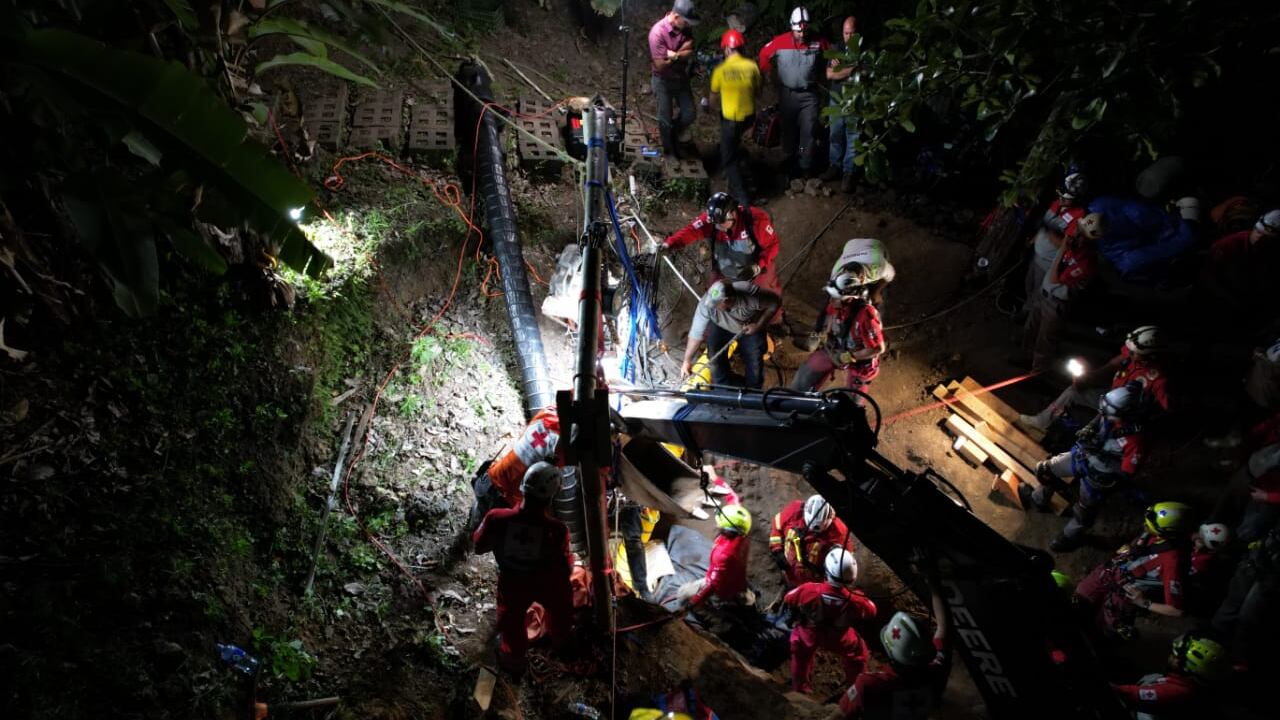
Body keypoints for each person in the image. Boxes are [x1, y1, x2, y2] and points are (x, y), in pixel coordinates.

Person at [1020, 384, 1149, 552]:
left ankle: (1069, 537)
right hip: (1082, 456)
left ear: (1127, 415)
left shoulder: (1136, 441)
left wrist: (1103, 455)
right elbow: (1101, 416)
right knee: (1045, 470)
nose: (1105, 414)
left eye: (1110, 413)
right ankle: (1038, 499)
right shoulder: (1111, 413)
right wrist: (1090, 427)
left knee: (1084, 510)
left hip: (1099, 476)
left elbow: (1126, 472)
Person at [473, 462, 574, 675]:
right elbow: (565, 568)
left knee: (510, 621)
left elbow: (479, 546)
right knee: (562, 604)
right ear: (551, 497)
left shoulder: (496, 518)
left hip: (512, 581)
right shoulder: (556, 531)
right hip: (544, 582)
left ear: (523, 487)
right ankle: (561, 644)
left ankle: (514, 661)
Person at [1072, 502, 1193, 639]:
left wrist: (1144, 603)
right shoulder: (1159, 532)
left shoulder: (1173, 563)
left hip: (1122, 595)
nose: (1145, 526)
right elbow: (1145, 542)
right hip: (1107, 574)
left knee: (1104, 627)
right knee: (1079, 599)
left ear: (1168, 533)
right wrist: (1132, 548)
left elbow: (1177, 610)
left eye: (1149, 525)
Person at [1019, 325, 1171, 433]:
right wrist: (1093, 376)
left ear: (1150, 356)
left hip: (1121, 414)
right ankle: (1042, 421)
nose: (1129, 355)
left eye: (1134, 353)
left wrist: (1133, 420)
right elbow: (1115, 362)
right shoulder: (1134, 353)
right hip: (1109, 396)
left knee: (1092, 433)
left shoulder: (1159, 380)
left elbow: (1164, 410)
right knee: (1073, 391)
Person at [664, 192, 784, 318]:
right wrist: (670, 244)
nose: (718, 227)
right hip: (725, 269)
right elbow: (691, 230)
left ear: (732, 214)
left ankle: (774, 322)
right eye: (716, 224)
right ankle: (720, 326)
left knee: (766, 297)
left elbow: (772, 245)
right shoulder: (714, 220)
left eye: (721, 223)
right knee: (713, 300)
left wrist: (758, 266)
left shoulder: (755, 220)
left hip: (754, 269)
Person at [838, 585, 951, 719]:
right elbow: (944, 627)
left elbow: (839, 716)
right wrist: (935, 585)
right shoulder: (938, 670)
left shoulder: (869, 684)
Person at [784, 547, 877, 694]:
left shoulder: (809, 590)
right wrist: (859, 596)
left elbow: (789, 597)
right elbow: (872, 610)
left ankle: (800, 688)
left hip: (811, 632)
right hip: (839, 637)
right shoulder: (856, 601)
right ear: (852, 578)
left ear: (826, 570)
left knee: (800, 649)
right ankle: (855, 690)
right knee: (858, 652)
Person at [1022, 212, 1105, 371]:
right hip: (1043, 295)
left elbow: (1055, 278)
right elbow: (1056, 240)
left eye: (1080, 233)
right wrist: (1048, 230)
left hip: (1056, 304)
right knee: (1030, 329)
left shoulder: (1087, 262)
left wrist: (1062, 250)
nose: (1074, 234)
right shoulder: (1074, 247)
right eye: (1077, 230)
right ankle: (1025, 357)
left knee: (1044, 341)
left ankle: (1037, 372)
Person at [790, 262, 886, 396]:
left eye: (834, 297)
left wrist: (850, 356)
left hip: (859, 360)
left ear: (848, 298)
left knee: (852, 401)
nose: (830, 300)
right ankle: (795, 399)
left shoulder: (866, 316)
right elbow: (831, 315)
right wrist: (826, 334)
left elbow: (878, 348)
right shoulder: (837, 303)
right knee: (807, 372)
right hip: (836, 348)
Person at [758, 7, 831, 179]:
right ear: (792, 27)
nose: (802, 34)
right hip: (787, 94)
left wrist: (832, 64)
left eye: (805, 30)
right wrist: (768, 74)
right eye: (799, 31)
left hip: (809, 95)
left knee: (809, 130)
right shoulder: (780, 41)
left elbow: (832, 53)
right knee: (788, 130)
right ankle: (790, 160)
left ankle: (805, 165)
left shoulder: (817, 43)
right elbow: (763, 54)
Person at [469, 406, 564, 529]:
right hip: (507, 499)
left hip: (491, 477)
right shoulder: (562, 448)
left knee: (481, 509)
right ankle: (474, 533)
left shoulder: (546, 413)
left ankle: (473, 526)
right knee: (491, 529)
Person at [679, 279, 779, 389]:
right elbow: (696, 334)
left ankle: (753, 392)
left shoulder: (751, 297)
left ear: (726, 300)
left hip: (749, 327)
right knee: (715, 360)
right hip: (721, 326)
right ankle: (723, 388)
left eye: (716, 304)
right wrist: (687, 360)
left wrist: (758, 326)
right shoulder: (706, 304)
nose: (711, 306)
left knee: (754, 362)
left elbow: (775, 303)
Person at [1211, 525, 1280, 673]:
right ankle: (1212, 642)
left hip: (1272, 575)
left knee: (1249, 618)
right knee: (1231, 607)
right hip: (1260, 558)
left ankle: (1238, 661)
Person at [1109, 633, 1228, 717]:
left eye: (1174, 655)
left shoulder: (1174, 692)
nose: (1171, 655)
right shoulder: (1193, 683)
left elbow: (1127, 693)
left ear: (1180, 664)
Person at [1023, 173, 1091, 316]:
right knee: (1028, 284)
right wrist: (1034, 239)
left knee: (1038, 291)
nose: (1061, 200)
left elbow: (1066, 245)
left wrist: (1048, 230)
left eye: (1065, 198)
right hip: (1037, 254)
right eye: (1060, 196)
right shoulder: (1057, 203)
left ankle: (1029, 315)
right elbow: (1045, 223)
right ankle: (1027, 307)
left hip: (1049, 263)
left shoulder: (1080, 217)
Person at [1202, 209, 1280, 332]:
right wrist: (1232, 300)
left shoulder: (1269, 251)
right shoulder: (1228, 246)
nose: (1260, 239)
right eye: (1259, 233)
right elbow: (1208, 278)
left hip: (1246, 299)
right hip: (1220, 299)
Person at [709, 29, 761, 207]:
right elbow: (758, 91)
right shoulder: (752, 66)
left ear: (726, 49)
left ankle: (742, 199)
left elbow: (713, 99)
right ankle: (747, 182)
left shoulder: (720, 70)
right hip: (748, 118)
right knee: (735, 146)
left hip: (730, 119)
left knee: (728, 159)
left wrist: (711, 107)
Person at [768, 494, 856, 587]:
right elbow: (777, 526)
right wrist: (777, 551)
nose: (811, 531)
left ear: (829, 519)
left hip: (812, 585)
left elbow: (843, 567)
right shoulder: (794, 510)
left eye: (816, 528)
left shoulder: (839, 534)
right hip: (788, 570)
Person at [677, 503, 754, 609]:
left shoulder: (724, 554)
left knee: (682, 593)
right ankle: (743, 596)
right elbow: (734, 500)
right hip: (737, 579)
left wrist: (692, 603)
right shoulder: (743, 530)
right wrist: (721, 485)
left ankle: (721, 605)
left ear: (727, 530)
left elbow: (712, 585)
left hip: (722, 587)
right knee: (735, 585)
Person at [648, 0, 699, 158]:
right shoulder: (657, 32)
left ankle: (673, 134)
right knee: (665, 118)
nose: (689, 25)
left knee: (689, 113)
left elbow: (691, 47)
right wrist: (681, 54)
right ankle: (669, 151)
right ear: (676, 16)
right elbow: (660, 65)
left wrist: (674, 55)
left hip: (681, 78)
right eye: (686, 21)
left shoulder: (684, 28)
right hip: (662, 80)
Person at [821, 16, 859, 194]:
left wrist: (841, 69)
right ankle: (834, 165)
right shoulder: (836, 49)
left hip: (855, 101)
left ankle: (848, 172)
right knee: (835, 133)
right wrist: (852, 69)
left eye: (852, 33)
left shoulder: (863, 51)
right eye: (846, 33)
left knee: (852, 137)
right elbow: (829, 74)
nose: (849, 37)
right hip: (836, 99)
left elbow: (864, 74)